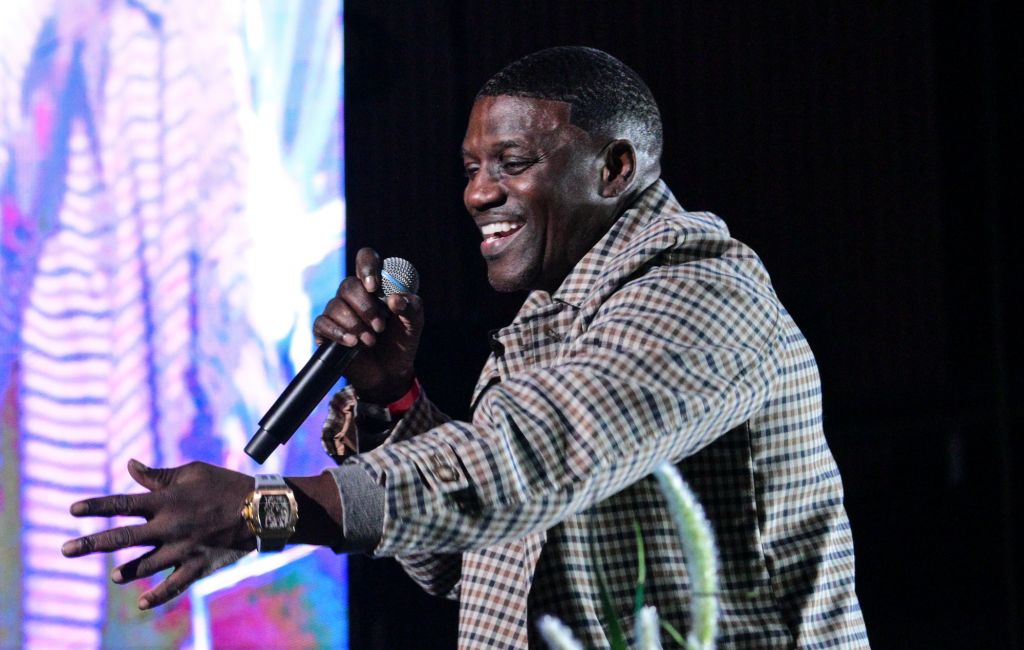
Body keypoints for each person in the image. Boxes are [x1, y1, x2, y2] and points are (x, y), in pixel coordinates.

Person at [63, 47, 869, 647]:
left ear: (615, 167)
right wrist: (395, 400)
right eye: (472, 166)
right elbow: (468, 555)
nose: (478, 192)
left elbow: (519, 466)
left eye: (511, 164)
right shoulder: (550, 320)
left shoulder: (699, 295)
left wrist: (262, 510)